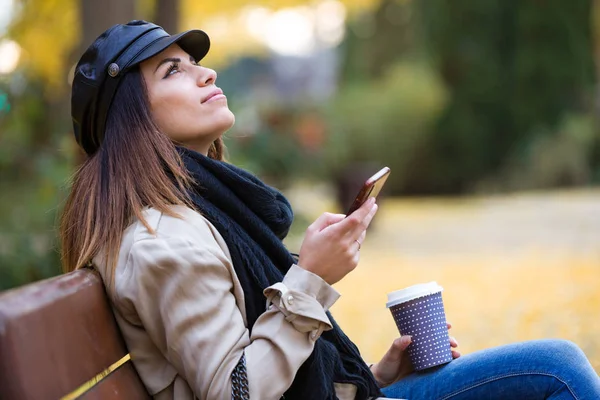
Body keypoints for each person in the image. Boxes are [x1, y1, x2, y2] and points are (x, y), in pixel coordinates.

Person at [60, 20, 600, 400]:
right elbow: (237, 392)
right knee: (558, 371)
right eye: (172, 71)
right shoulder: (162, 243)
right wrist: (311, 277)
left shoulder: (195, 216)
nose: (206, 74)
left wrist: (375, 374)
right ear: (131, 118)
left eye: (196, 64)